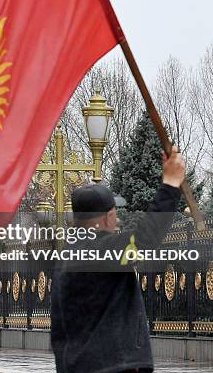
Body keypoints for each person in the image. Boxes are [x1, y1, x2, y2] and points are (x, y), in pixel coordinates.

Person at [51, 146, 186, 373]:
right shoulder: (100, 250)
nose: (119, 222)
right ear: (109, 216)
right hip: (111, 367)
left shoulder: (69, 255)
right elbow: (145, 239)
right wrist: (171, 185)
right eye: (116, 215)